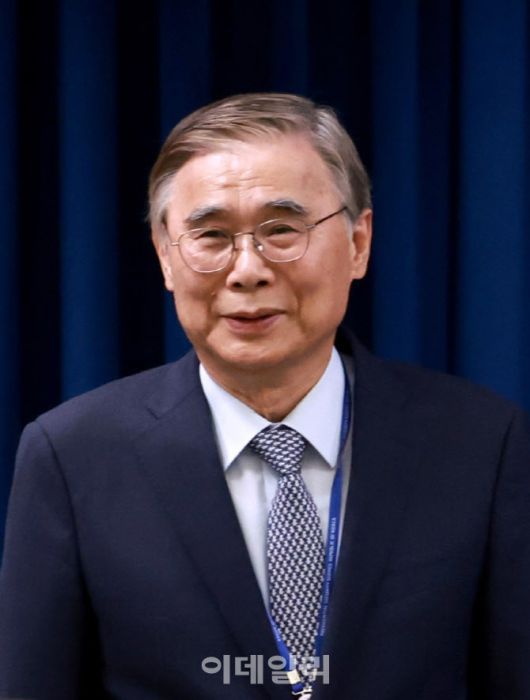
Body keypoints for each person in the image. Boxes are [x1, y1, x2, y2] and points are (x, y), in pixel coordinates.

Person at [1, 93, 529, 700]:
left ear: (358, 242)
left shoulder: (481, 444)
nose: (247, 270)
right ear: (166, 258)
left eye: (281, 230)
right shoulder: (73, 456)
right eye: (211, 235)